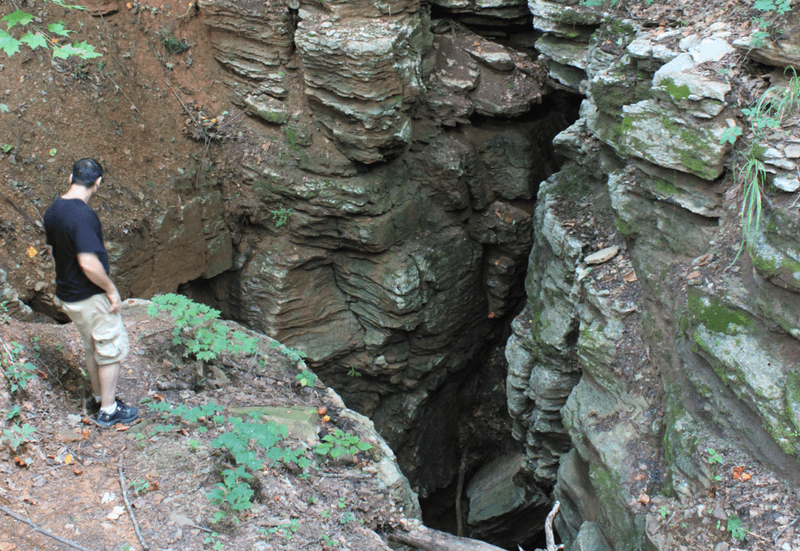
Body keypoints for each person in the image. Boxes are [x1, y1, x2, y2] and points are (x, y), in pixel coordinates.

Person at [43, 158, 138, 427]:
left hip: (69, 295)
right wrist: (111, 289)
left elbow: (52, 252)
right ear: (98, 182)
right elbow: (88, 262)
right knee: (109, 348)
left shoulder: (53, 210)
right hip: (90, 296)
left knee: (91, 346)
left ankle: (98, 397)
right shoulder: (83, 216)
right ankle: (108, 410)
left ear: (71, 178)